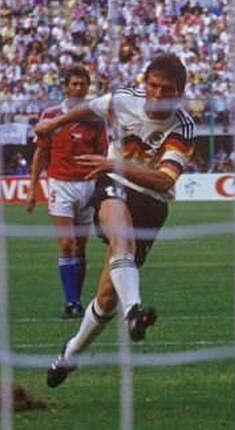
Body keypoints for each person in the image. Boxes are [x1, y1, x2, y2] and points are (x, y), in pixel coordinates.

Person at [37, 53, 195, 388]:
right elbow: (90, 107)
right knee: (121, 236)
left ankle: (71, 353)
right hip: (115, 186)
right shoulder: (124, 100)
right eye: (152, 86)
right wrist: (54, 124)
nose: (157, 94)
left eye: (167, 89)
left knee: (107, 296)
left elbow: (165, 181)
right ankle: (134, 312)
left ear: (179, 93)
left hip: (152, 202)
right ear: (145, 84)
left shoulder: (183, 128)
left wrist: (115, 165)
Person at [27, 65, 109, 320]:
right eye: (74, 84)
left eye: (82, 84)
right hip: (60, 185)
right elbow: (41, 153)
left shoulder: (95, 120)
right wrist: (32, 188)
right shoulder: (50, 116)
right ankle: (71, 302)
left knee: (81, 246)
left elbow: (103, 155)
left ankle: (77, 297)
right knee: (66, 243)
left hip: (87, 186)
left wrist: (100, 185)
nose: (78, 88)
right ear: (65, 87)